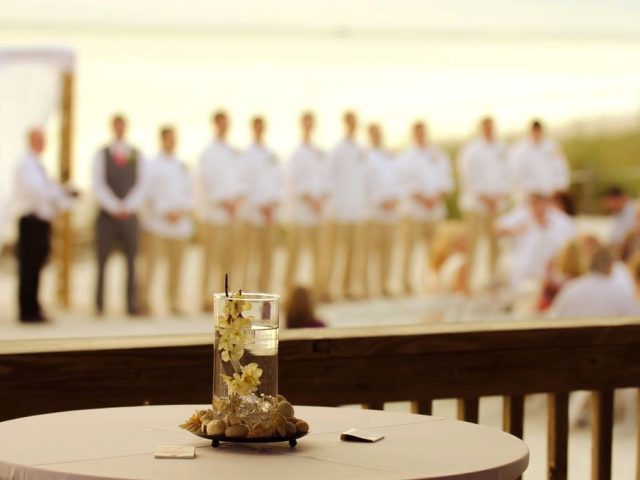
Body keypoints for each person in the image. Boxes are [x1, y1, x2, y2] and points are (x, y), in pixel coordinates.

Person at [13, 128, 76, 322]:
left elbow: (47, 191)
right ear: (31, 141)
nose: (42, 143)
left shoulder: (37, 165)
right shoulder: (26, 164)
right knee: (29, 267)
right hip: (31, 222)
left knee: (36, 267)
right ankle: (27, 311)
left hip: (40, 222)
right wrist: (61, 194)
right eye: (39, 140)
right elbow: (38, 191)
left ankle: (33, 307)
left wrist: (64, 196)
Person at [93, 115, 146, 316]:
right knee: (101, 260)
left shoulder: (136, 153)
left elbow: (142, 184)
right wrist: (115, 207)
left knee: (132, 262)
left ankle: (131, 304)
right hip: (107, 216)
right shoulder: (101, 153)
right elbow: (98, 184)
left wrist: (128, 206)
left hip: (130, 215)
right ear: (112, 127)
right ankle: (99, 304)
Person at [139, 126, 194, 315]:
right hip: (157, 225)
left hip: (179, 225)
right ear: (162, 140)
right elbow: (148, 193)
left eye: (174, 138)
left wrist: (180, 211)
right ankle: (144, 301)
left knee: (176, 267)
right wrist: (165, 211)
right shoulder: (151, 164)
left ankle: (174, 302)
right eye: (169, 138)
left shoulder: (182, 165)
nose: (172, 142)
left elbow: (190, 191)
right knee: (151, 266)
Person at [195, 110, 246, 311]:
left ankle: (226, 297)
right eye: (221, 123)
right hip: (214, 216)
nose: (225, 127)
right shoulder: (208, 153)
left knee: (230, 260)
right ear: (215, 124)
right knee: (210, 261)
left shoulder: (234, 153)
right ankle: (205, 299)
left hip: (233, 216)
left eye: (227, 123)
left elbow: (242, 180)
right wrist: (225, 203)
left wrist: (237, 202)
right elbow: (208, 183)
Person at [398, 121, 453, 293]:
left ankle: (436, 281)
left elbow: (446, 179)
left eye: (423, 132)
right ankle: (405, 283)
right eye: (417, 132)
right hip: (414, 211)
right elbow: (403, 183)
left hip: (435, 211)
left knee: (437, 249)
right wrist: (422, 199)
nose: (420, 135)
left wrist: (436, 197)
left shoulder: (438, 154)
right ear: (413, 134)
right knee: (409, 249)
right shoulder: (405, 157)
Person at [457, 116, 510, 285]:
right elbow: (467, 177)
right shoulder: (471, 149)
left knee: (496, 243)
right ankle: (468, 281)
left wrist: (499, 195)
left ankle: (492, 278)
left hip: (497, 203)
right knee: (473, 243)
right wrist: (484, 197)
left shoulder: (502, 147)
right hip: (476, 204)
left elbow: (508, 174)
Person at [285, 112, 331, 297]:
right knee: (294, 256)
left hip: (318, 214)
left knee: (320, 256)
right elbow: (296, 183)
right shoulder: (296, 155)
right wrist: (312, 201)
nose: (308, 127)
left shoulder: (320, 153)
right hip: (301, 214)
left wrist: (321, 201)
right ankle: (288, 291)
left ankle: (320, 290)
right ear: (301, 126)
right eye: (306, 124)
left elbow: (327, 179)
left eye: (311, 124)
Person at [324, 111, 368, 299]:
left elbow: (363, 179)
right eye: (350, 122)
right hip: (340, 210)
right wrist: (334, 206)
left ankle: (349, 287)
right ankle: (330, 288)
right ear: (345, 123)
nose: (353, 125)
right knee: (336, 252)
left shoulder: (360, 149)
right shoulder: (337, 150)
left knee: (354, 252)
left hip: (356, 210)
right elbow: (330, 179)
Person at [496, 193, 576, 289]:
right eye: (534, 203)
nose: (538, 208)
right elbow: (497, 228)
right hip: (522, 271)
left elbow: (571, 242)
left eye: (541, 203)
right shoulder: (522, 215)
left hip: (549, 274)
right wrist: (515, 231)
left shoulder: (561, 220)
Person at [241, 116, 283, 291]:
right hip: (253, 215)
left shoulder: (271, 154)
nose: (259, 130)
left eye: (262, 127)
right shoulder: (245, 155)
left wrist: (271, 206)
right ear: (252, 129)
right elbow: (245, 184)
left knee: (268, 259)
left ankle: (264, 292)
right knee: (249, 258)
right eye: (256, 127)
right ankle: (246, 293)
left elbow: (277, 182)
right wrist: (260, 206)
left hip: (270, 215)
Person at [363, 123, 402, 297]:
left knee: (388, 251)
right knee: (372, 252)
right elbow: (365, 185)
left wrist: (394, 200)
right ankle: (370, 286)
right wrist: (380, 201)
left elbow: (397, 180)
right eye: (373, 133)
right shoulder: (365, 157)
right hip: (374, 212)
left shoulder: (389, 156)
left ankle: (385, 284)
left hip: (391, 212)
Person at [549, 247, 638, 318]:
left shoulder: (571, 287)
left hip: (573, 338)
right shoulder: (621, 292)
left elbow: (555, 316)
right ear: (610, 267)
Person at [508, 120, 570, 201]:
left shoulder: (552, 146)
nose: (536, 133)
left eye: (538, 131)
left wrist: (560, 187)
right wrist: (521, 192)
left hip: (550, 193)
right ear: (530, 131)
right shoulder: (520, 149)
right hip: (529, 195)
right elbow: (515, 172)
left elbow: (561, 168)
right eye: (534, 131)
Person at [603, 186, 635, 250]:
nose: (607, 205)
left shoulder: (634, 210)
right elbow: (614, 237)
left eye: (609, 201)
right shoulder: (618, 213)